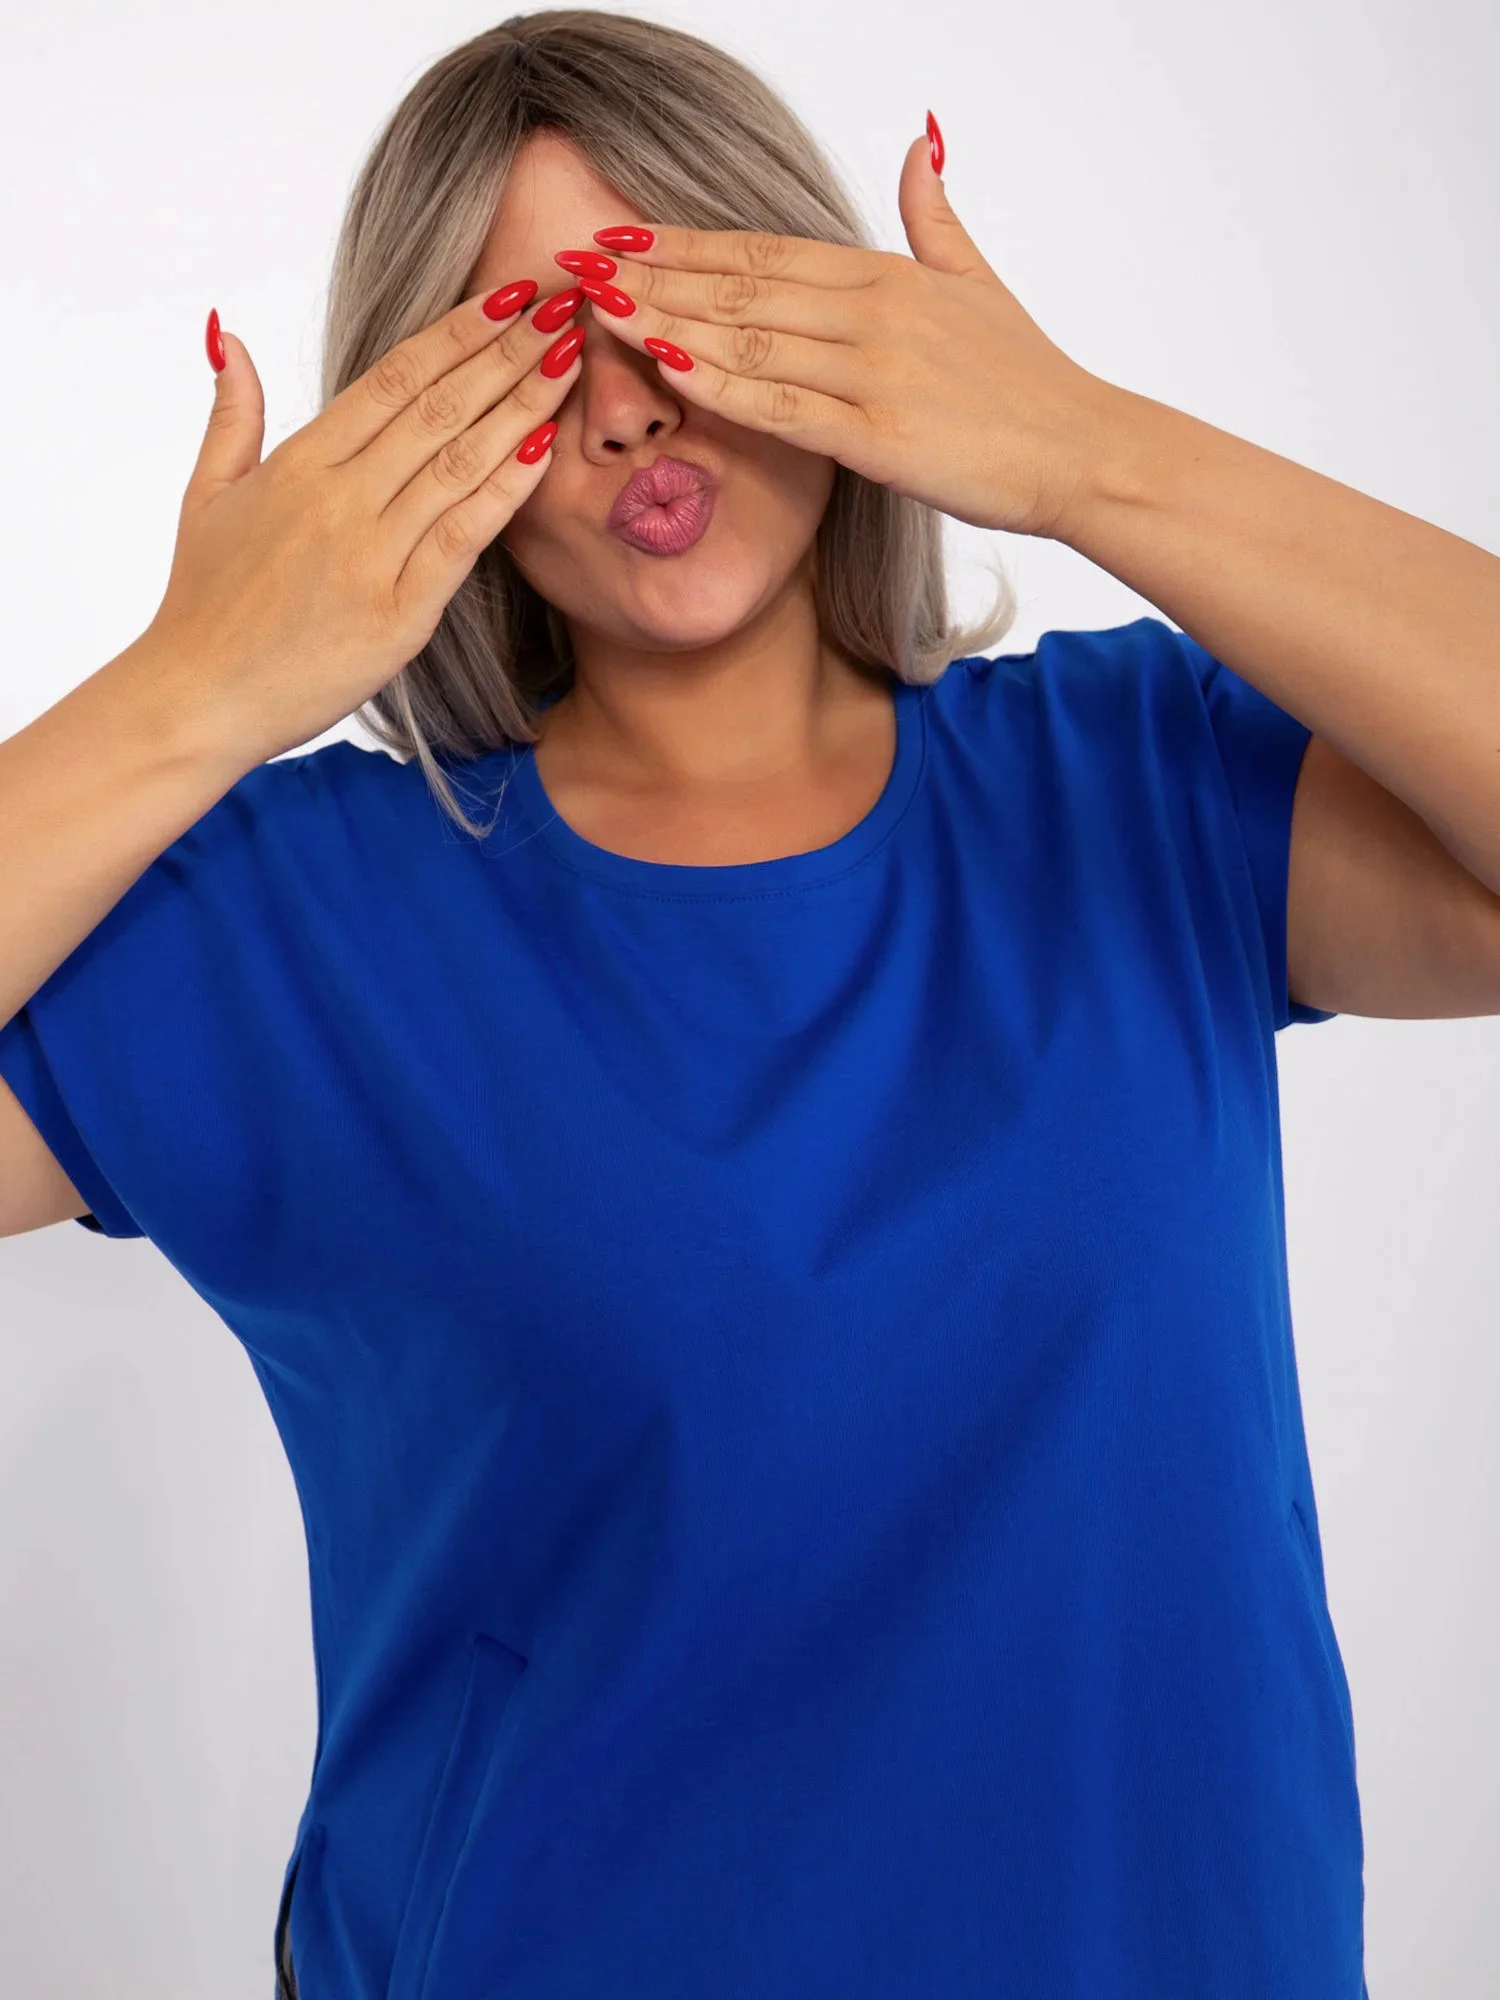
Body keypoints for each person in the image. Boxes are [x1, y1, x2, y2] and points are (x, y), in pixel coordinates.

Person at [3, 10, 1497, 1997]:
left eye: (680, 306)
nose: (630, 409)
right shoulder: (288, 915)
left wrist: (1088, 452)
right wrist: (194, 687)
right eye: (537, 348)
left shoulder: (1136, 783)